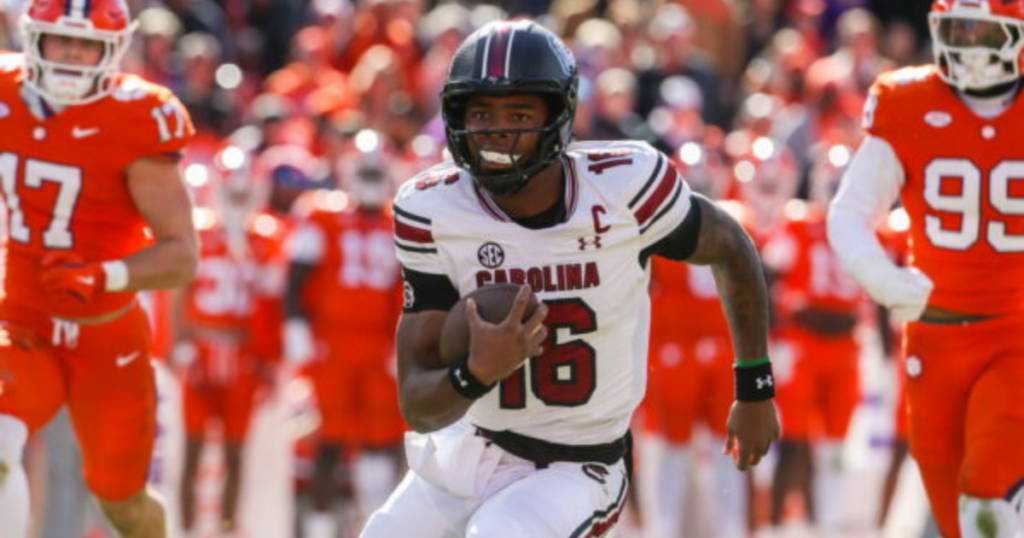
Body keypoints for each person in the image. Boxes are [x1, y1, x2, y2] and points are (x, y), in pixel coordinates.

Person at [360, 20, 779, 538]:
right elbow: (419, 405)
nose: (496, 129)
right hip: (474, 445)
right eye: (481, 112)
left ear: (558, 115)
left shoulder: (625, 187)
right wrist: (477, 372)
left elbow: (732, 246)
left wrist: (755, 386)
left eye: (518, 113)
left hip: (579, 464)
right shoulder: (433, 209)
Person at [0, 0, 198, 536]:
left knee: (123, 503)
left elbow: (183, 254)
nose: (71, 55)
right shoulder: (4, 92)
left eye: (86, 44)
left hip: (105, 334)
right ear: (32, 39)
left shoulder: (138, 116)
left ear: (112, 51)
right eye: (61, 40)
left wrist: (107, 274)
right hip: (22, 321)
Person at [827, 1, 1024, 536]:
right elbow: (849, 214)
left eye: (984, 31)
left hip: (1014, 333)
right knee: (954, 516)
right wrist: (883, 280)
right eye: (958, 29)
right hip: (932, 336)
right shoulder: (908, 100)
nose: (967, 44)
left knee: (988, 493)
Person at [284, 147, 405, 538]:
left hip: (378, 344)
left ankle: (375, 525)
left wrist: (402, 342)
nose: (369, 183)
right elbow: (298, 275)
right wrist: (296, 326)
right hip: (332, 342)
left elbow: (411, 289)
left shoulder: (399, 221)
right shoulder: (323, 215)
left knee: (379, 438)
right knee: (330, 437)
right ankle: (321, 530)